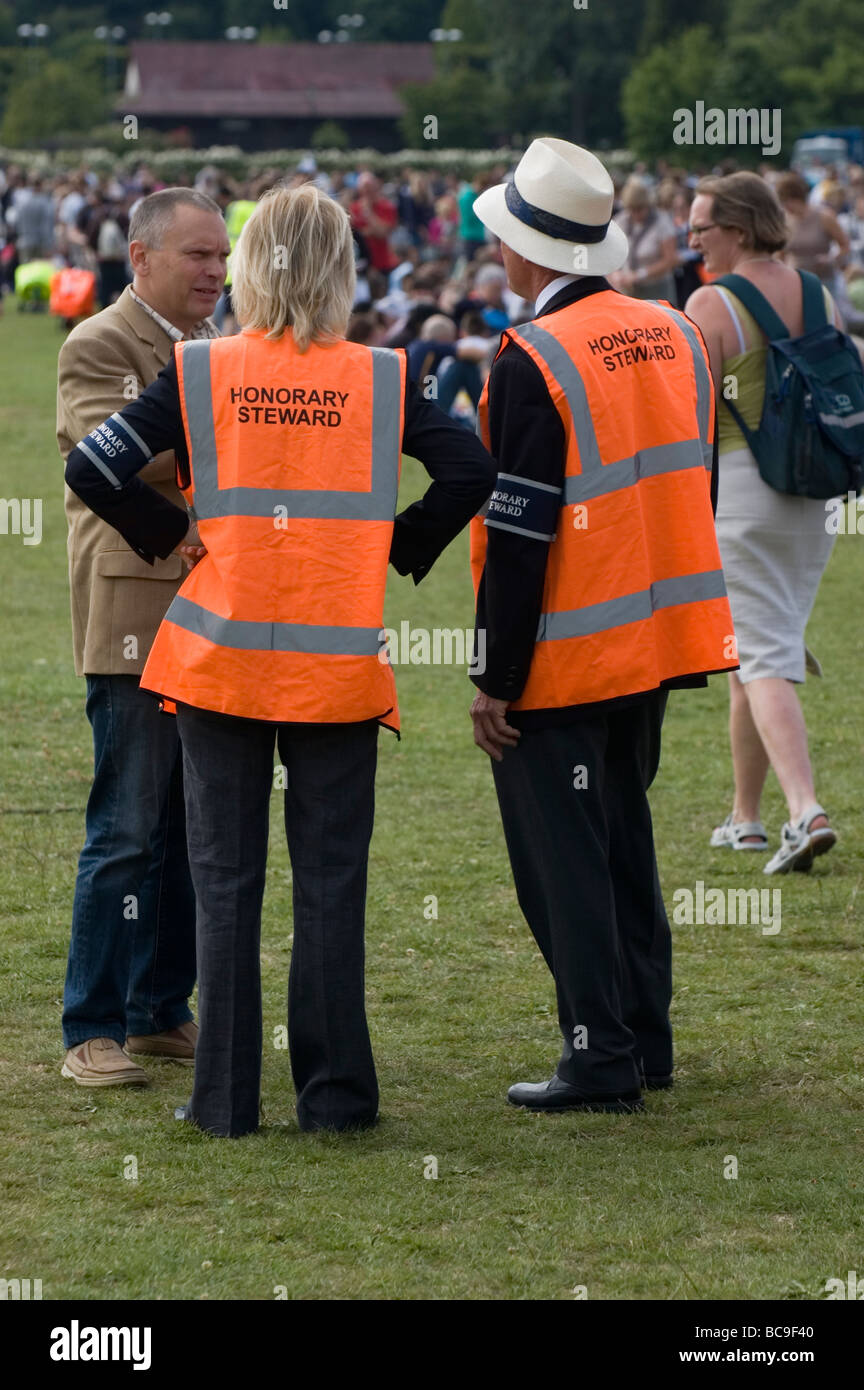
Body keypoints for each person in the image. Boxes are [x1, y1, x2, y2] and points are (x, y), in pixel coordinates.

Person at [64, 183, 496, 1137]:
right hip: (336, 667)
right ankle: (337, 1098)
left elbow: (90, 465)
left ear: (253, 265)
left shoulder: (200, 369)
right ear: (344, 268)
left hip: (218, 663)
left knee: (224, 885)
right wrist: (399, 543)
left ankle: (222, 1100)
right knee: (332, 887)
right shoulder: (384, 376)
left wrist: (169, 533)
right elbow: (472, 468)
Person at [468, 138, 737, 1113]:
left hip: (565, 652)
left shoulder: (533, 357)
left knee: (564, 862)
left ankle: (598, 1052)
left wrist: (494, 677)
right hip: (656, 640)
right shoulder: (674, 332)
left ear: (523, 252)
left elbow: (520, 533)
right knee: (625, 838)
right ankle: (643, 1037)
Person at [57, 187, 227, 1088]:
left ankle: (160, 1008)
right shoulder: (101, 343)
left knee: (187, 827)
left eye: (223, 257)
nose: (216, 271)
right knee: (125, 828)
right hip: (132, 615)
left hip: (207, 610)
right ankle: (90, 1025)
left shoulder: (209, 349)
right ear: (143, 257)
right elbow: (116, 453)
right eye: (198, 255)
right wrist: (243, 427)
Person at [684, 172, 841, 873]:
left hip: (744, 491)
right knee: (755, 652)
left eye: (701, 229)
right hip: (816, 493)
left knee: (763, 657)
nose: (691, 241)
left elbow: (693, 421)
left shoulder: (709, 302)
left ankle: (804, 812)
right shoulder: (820, 294)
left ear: (739, 230)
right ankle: (746, 819)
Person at [777, 171, 850, 294]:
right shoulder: (785, 220)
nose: (785, 207)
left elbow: (845, 245)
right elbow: (780, 253)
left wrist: (831, 258)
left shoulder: (825, 216)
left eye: (787, 201)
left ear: (797, 198)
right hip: (795, 281)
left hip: (823, 280)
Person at [612, 177, 678, 303]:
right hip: (629, 290)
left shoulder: (662, 222)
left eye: (640, 209)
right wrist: (616, 274)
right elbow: (613, 252)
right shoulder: (622, 220)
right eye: (632, 209)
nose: (636, 214)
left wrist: (640, 274)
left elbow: (670, 259)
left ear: (648, 205)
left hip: (656, 289)